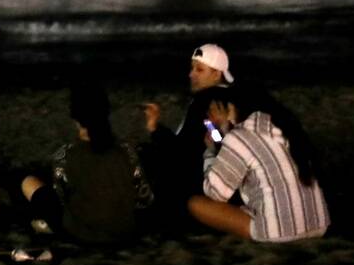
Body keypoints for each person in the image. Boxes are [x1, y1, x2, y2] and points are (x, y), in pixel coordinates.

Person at [188, 86, 330, 242]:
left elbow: (215, 193)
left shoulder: (239, 137)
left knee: (196, 204)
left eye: (220, 108)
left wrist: (209, 154)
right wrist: (224, 130)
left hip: (279, 233)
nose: (212, 115)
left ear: (234, 107)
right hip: (319, 225)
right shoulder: (283, 128)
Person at [19, 82, 154, 244]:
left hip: (82, 235)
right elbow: (144, 199)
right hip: (125, 231)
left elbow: (61, 200)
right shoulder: (127, 151)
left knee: (29, 182)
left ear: (75, 118)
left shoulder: (64, 155)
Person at [140, 43, 234, 224]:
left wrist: (155, 130)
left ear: (216, 74)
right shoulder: (224, 98)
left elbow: (185, 149)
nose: (191, 75)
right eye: (192, 69)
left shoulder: (207, 102)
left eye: (199, 70)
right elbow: (213, 134)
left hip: (197, 182)